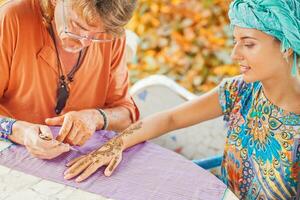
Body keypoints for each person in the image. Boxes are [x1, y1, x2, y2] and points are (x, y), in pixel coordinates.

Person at [64, 0, 300, 199]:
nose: (234, 54)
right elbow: (170, 118)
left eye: (248, 44)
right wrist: (115, 145)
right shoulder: (239, 91)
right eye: (235, 42)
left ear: (287, 46)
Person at [0, 0, 139, 160]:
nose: (85, 42)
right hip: (10, 156)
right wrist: (19, 131)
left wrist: (96, 117)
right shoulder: (12, 19)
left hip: (77, 161)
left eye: (97, 35)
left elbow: (126, 115)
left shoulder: (111, 32)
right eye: (78, 26)